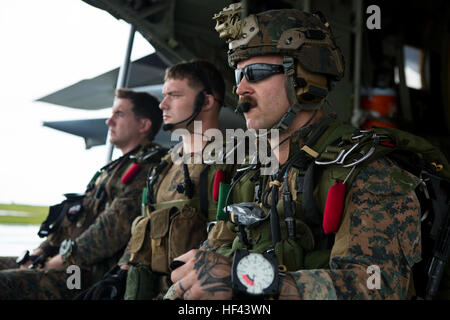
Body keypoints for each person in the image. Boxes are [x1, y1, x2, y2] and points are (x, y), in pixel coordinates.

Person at [166, 6, 428, 300]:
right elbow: (213, 257)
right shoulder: (247, 172)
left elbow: (378, 285)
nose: (240, 89)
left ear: (306, 79)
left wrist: (249, 278)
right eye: (238, 75)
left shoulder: (366, 169)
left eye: (256, 73)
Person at [75, 60, 249, 300]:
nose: (163, 104)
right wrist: (120, 273)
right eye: (164, 95)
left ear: (207, 102)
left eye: (175, 95)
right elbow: (143, 230)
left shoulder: (237, 162)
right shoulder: (163, 167)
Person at [0, 88, 166, 299]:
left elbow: (109, 231)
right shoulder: (114, 168)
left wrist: (53, 263)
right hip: (67, 262)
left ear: (143, 125)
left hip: (84, 276)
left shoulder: (148, 167)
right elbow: (74, 218)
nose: (109, 121)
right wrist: (41, 251)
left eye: (120, 114)